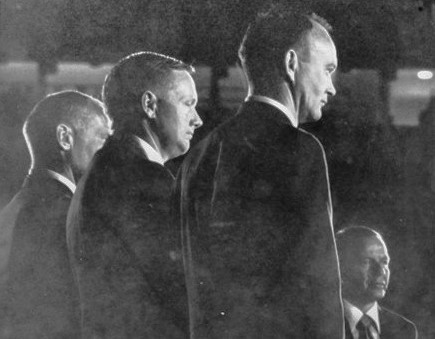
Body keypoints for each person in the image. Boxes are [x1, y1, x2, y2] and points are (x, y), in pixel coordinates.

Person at [174, 6, 343, 339]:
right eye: (328, 69)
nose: (332, 86)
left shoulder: (198, 156)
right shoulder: (300, 149)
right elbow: (319, 282)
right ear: (292, 64)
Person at [66, 51, 202, 338]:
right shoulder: (143, 178)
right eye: (188, 104)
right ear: (150, 105)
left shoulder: (101, 170)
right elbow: (185, 290)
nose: (198, 120)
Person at [0, 90, 112, 338]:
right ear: (65, 137)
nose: (107, 155)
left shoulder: (14, 209)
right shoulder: (67, 215)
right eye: (102, 140)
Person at [336, 226, 418, 339]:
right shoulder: (318, 325)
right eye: (367, 262)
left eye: (384, 262)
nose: (380, 272)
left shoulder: (405, 329)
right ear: (341, 267)